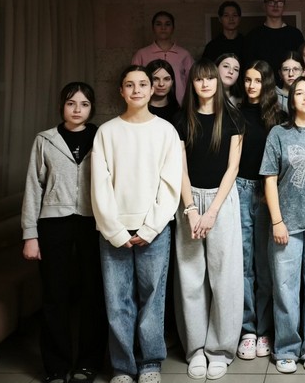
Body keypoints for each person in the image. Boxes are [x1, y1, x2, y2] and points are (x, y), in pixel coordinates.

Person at [91, 66, 183, 383]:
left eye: (143, 84)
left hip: (154, 230)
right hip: (113, 230)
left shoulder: (166, 131)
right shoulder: (107, 132)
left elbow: (170, 184)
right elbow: (99, 185)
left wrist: (150, 228)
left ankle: (150, 364)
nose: (137, 90)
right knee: (118, 301)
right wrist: (115, 230)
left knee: (152, 300)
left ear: (152, 89)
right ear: (121, 91)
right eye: (130, 85)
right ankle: (122, 366)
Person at [22, 82, 106, 383]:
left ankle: (89, 362)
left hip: (93, 223)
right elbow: (33, 187)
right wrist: (30, 234)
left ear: (91, 108)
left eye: (84, 104)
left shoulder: (103, 137)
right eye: (71, 103)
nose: (77, 109)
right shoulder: (45, 140)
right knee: (54, 295)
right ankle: (56, 366)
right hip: (53, 223)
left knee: (92, 293)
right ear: (62, 107)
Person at [173, 60, 244, 381]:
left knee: (225, 278)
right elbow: (180, 169)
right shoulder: (180, 120)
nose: (204, 84)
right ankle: (196, 349)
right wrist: (191, 209)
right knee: (190, 278)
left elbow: (232, 168)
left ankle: (220, 349)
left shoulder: (233, 117)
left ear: (217, 82)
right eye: (199, 80)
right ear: (192, 84)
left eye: (209, 79)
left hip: (222, 200)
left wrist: (212, 211)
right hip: (188, 199)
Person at [260, 77, 305, 374]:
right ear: (290, 100)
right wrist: (277, 220)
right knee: (285, 288)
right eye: (299, 92)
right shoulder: (279, 133)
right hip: (286, 221)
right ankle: (286, 348)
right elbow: (269, 178)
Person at [236, 61, 284, 361]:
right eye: (247, 80)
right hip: (239, 189)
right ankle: (247, 330)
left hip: (268, 192)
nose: (251, 85)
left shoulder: (279, 117)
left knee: (265, 266)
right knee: (244, 264)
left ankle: (265, 329)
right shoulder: (234, 113)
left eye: (257, 80)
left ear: (267, 83)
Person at [132, 11, 194, 105]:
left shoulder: (184, 54)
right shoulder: (141, 54)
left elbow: (192, 82)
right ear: (153, 28)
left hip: (179, 106)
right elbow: (134, 81)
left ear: (173, 28)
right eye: (158, 24)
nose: (163, 28)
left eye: (167, 24)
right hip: (148, 106)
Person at [244, 0, 304, 77]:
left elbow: (301, 64)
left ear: (284, 6)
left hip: (290, 84)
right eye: (271, 2)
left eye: (280, 3)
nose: (276, 6)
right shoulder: (253, 36)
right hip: (262, 84)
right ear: (264, 6)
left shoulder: (295, 34)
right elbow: (248, 67)